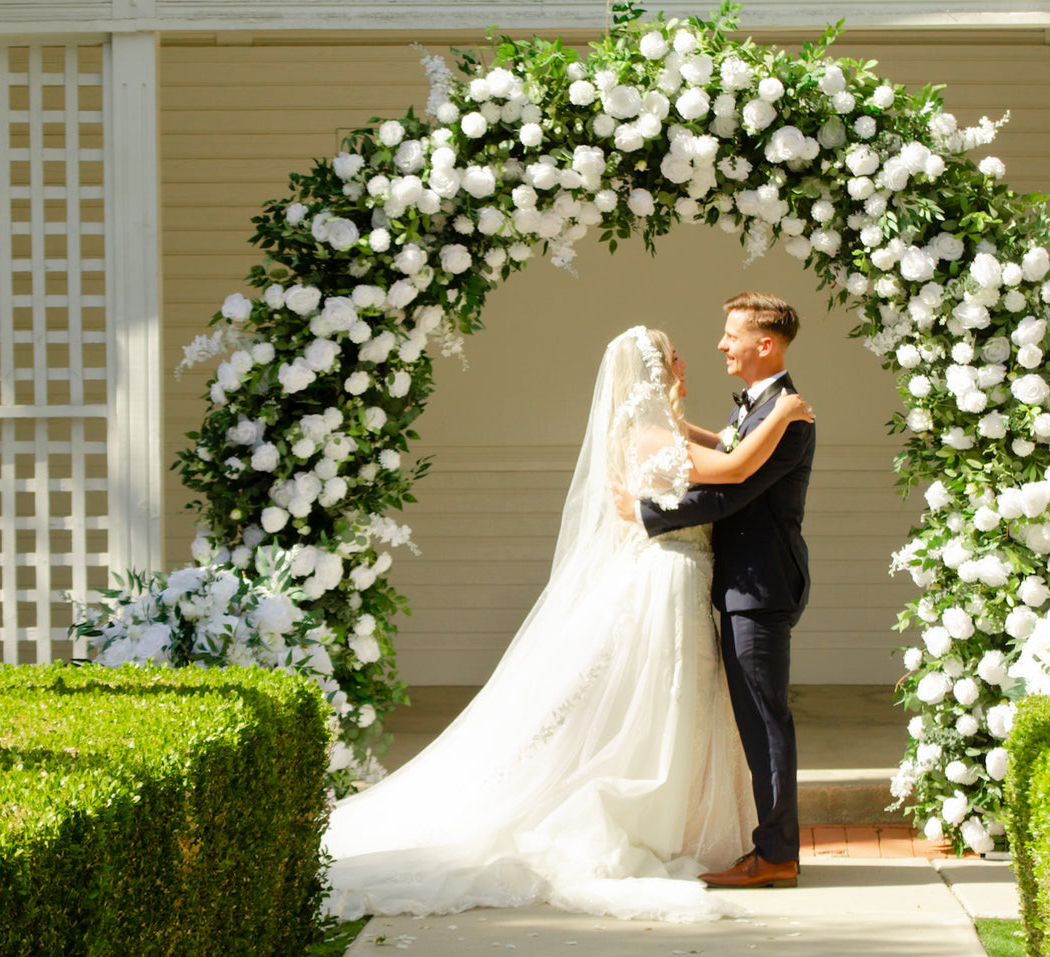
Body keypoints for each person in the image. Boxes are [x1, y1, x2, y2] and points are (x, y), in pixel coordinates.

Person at [322, 325, 814, 923]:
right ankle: (667, 827)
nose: (692, 359)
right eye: (675, 357)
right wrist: (779, 413)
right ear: (654, 373)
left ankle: (690, 830)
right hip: (669, 578)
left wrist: (670, 478)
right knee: (661, 700)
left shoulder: (658, 430)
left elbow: (722, 460)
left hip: (683, 578)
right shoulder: (657, 436)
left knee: (674, 703)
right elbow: (733, 473)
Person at [616, 292, 815, 890]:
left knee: (764, 718)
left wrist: (646, 514)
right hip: (739, 585)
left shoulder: (787, 416)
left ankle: (776, 853)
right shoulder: (762, 410)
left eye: (732, 335)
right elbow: (727, 451)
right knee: (755, 717)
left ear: (765, 344)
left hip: (760, 588)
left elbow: (730, 490)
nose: (721, 344)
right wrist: (673, 424)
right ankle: (770, 846)